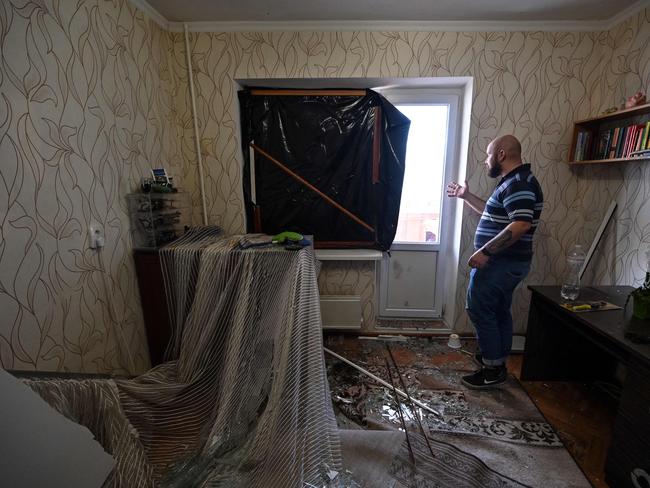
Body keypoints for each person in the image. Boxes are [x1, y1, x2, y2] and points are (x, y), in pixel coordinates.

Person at [447, 135, 543, 389]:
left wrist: (486, 252)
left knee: (479, 309)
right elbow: (494, 214)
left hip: (500, 263)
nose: (485, 160)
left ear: (501, 154)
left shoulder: (519, 184)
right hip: (505, 263)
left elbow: (520, 224)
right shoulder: (513, 182)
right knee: (498, 310)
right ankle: (496, 358)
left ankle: (493, 368)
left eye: (488, 155)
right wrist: (466, 196)